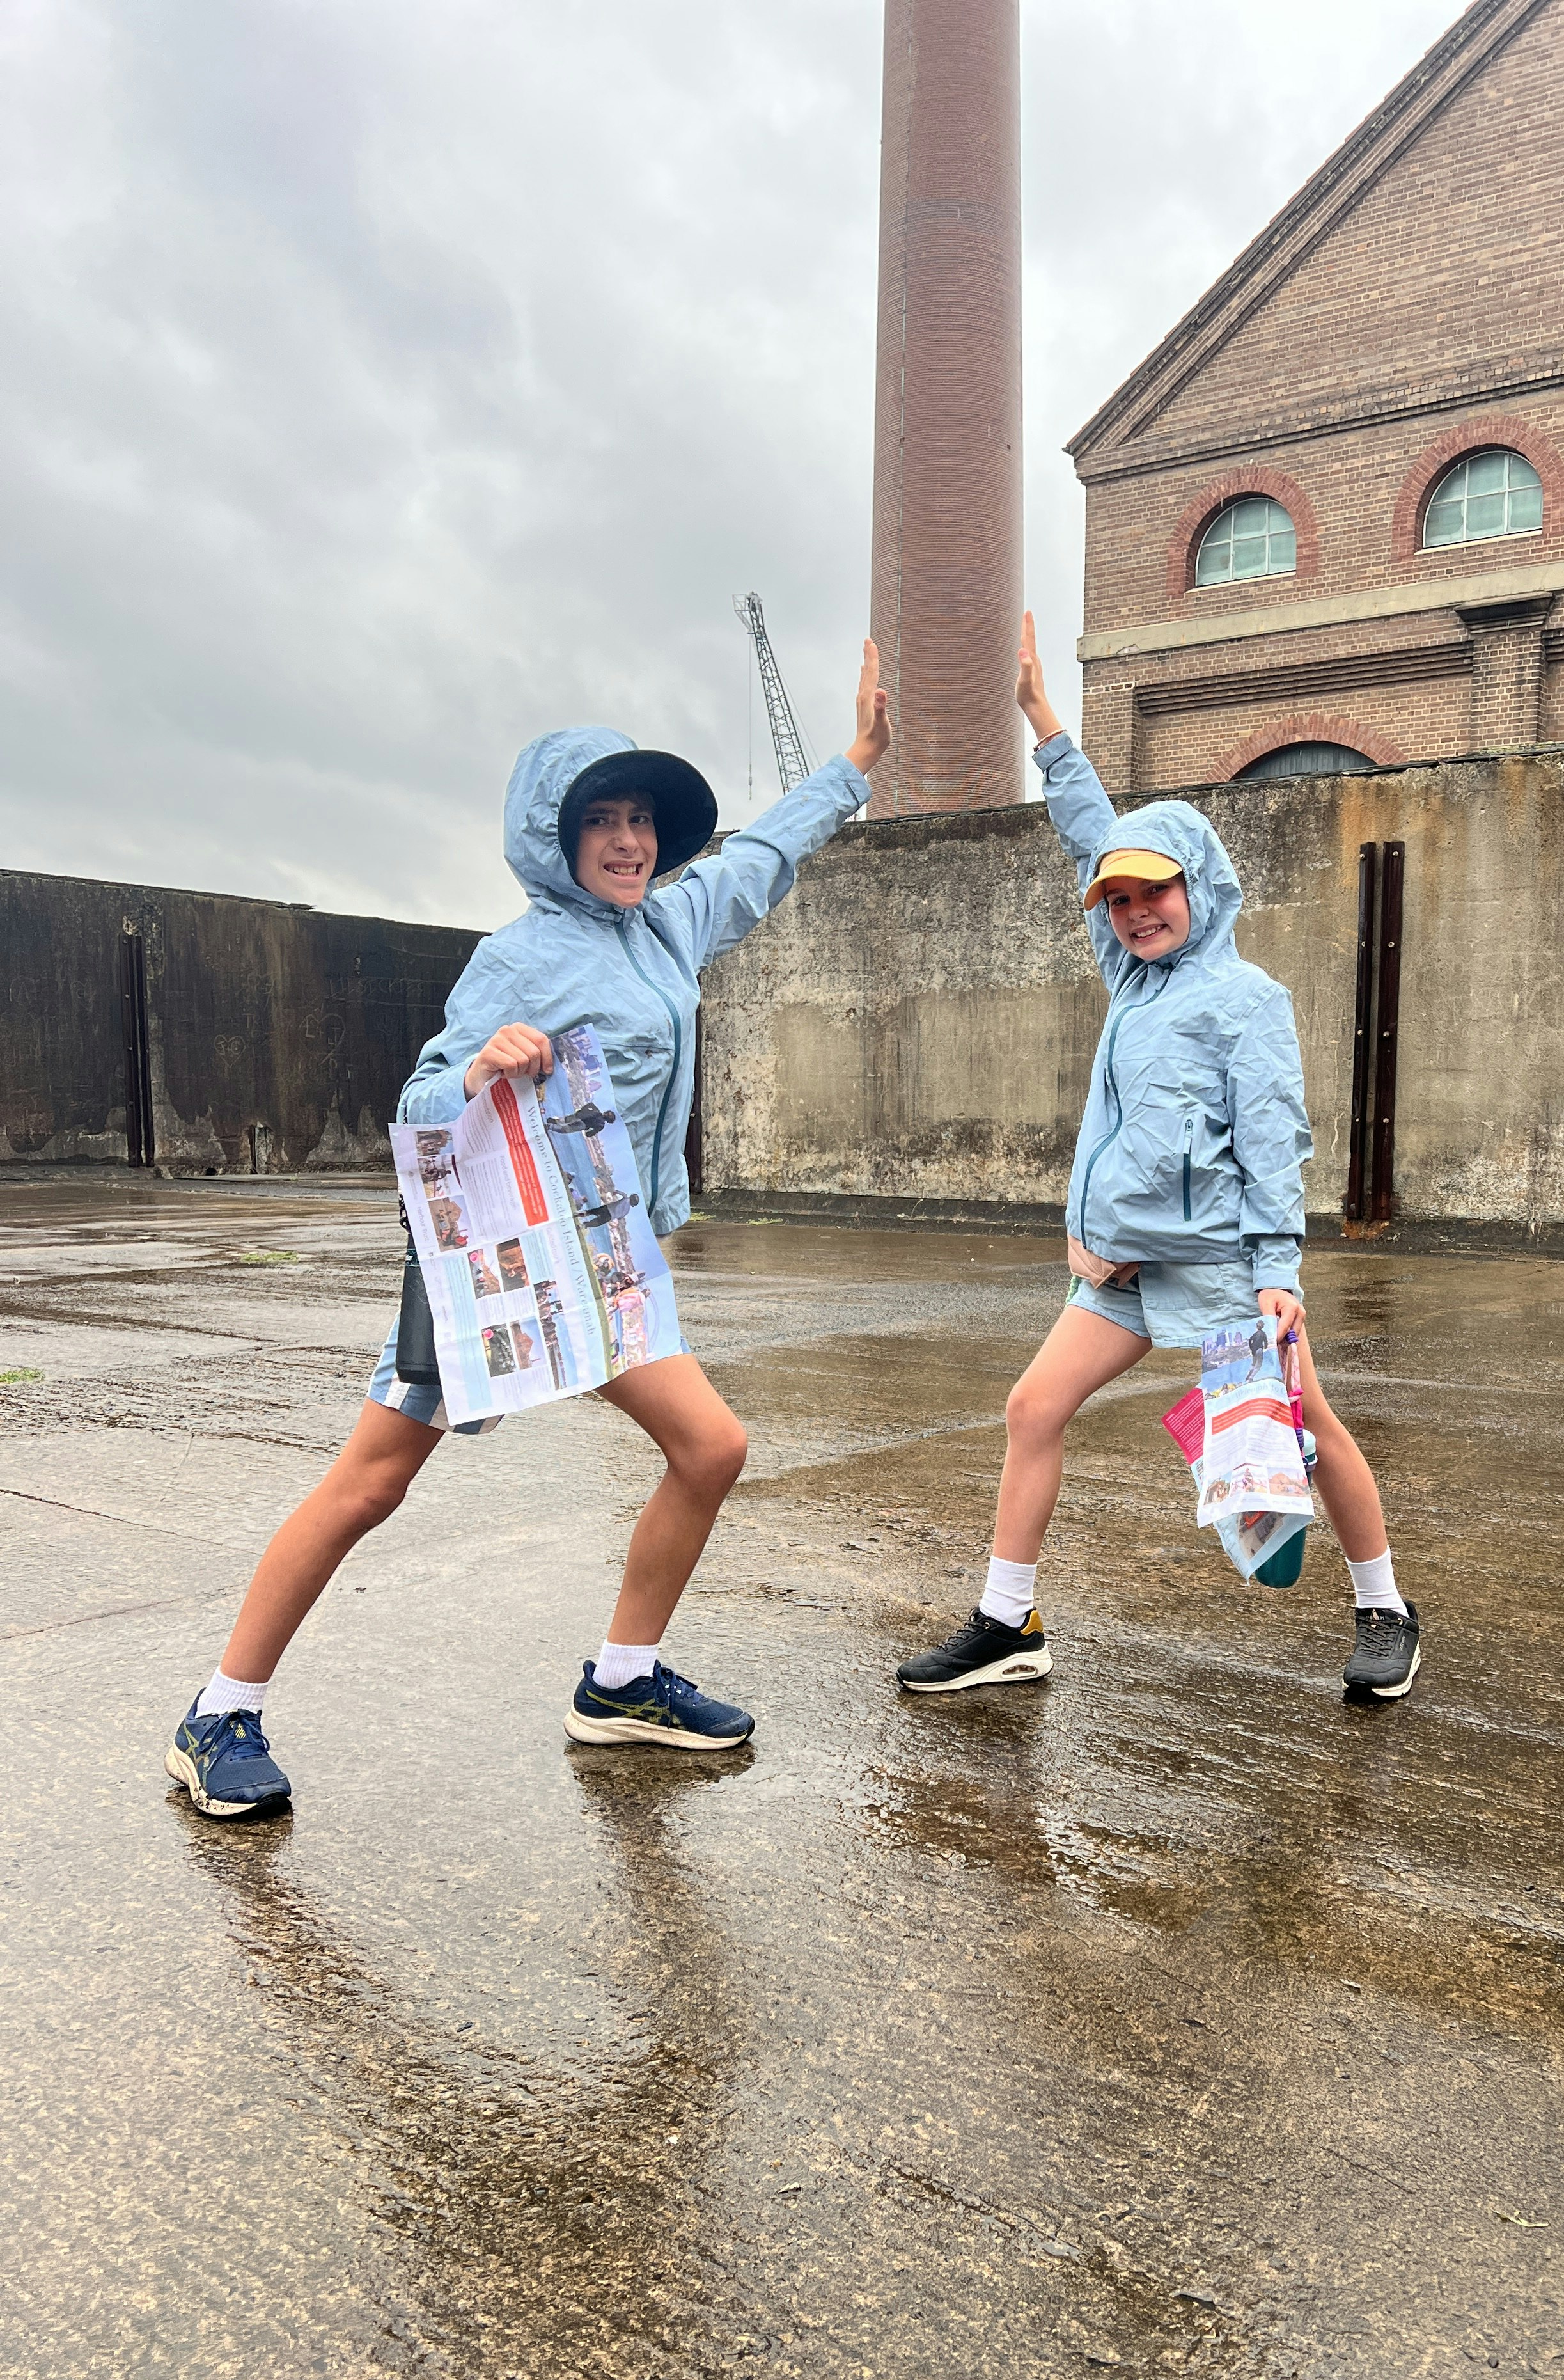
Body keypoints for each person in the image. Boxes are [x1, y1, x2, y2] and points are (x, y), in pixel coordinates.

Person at [168, 646, 893, 1820]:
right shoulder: (521, 955)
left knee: (711, 1448)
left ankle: (620, 1686)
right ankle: (218, 1716)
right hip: (501, 1268)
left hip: (606, 1267)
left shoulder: (665, 928)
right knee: (371, 1484)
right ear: (552, 839)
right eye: (600, 821)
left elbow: (760, 859)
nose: (628, 842)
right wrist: (477, 1069)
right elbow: (419, 1100)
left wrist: (854, 763)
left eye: (642, 821)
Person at [895, 617, 1420, 1705]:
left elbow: (1277, 1141)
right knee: (1032, 1409)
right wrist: (1046, 724)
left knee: (1308, 1437)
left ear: (1203, 885)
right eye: (1121, 903)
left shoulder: (1247, 999)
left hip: (1226, 1271)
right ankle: (1007, 1622)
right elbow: (1093, 841)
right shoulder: (1131, 981)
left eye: (1155, 893)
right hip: (1122, 1269)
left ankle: (1385, 1610)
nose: (1135, 913)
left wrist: (1279, 1272)